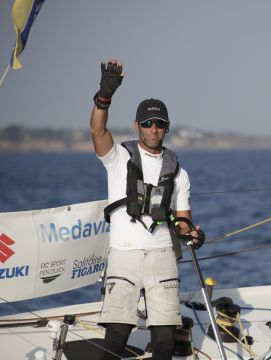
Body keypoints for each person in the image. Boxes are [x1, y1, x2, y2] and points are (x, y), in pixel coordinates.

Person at [90, 58, 204, 360]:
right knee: (116, 336)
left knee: (165, 342)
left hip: (162, 254)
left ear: (167, 128)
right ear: (137, 125)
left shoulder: (179, 173)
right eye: (147, 123)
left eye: (160, 124)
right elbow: (97, 132)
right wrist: (104, 96)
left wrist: (193, 234)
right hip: (124, 254)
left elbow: (181, 223)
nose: (153, 129)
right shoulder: (118, 158)